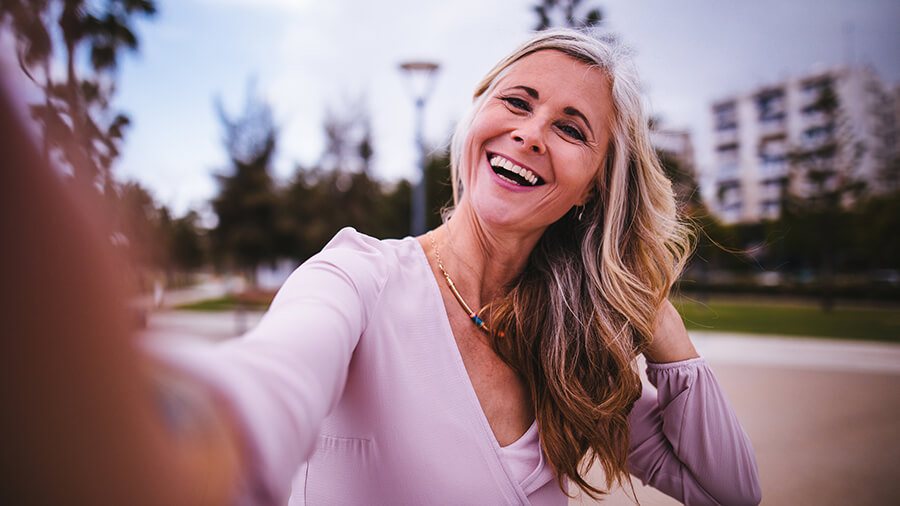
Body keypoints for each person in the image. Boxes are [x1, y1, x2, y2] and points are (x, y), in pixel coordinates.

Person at [0, 28, 761, 506]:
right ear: (476, 116)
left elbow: (731, 487)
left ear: (592, 186)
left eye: (571, 128)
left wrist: (655, 316)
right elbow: (271, 382)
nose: (531, 133)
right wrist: (169, 433)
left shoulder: (573, 347)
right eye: (517, 102)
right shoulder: (356, 278)